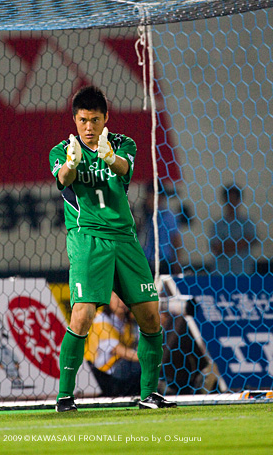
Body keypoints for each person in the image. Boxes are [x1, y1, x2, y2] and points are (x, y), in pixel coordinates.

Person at [49, 85, 176, 411]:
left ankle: (148, 395)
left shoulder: (123, 144)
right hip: (88, 238)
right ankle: (65, 396)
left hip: (125, 239)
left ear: (105, 118)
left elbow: (124, 169)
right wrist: (72, 164)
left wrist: (109, 157)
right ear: (74, 120)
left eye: (94, 120)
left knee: (151, 318)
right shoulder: (62, 150)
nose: (88, 127)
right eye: (82, 120)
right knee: (82, 316)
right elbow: (63, 178)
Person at [85, 292, 141, 397]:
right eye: (117, 297)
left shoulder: (128, 322)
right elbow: (118, 349)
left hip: (120, 370)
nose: (121, 302)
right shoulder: (101, 320)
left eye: (123, 298)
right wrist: (145, 358)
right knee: (137, 366)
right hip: (101, 375)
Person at [210, 184, 257, 275]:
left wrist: (226, 245)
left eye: (233, 200)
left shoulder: (247, 223)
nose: (231, 204)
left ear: (239, 201)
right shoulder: (217, 225)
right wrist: (239, 243)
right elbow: (216, 248)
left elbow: (249, 240)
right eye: (229, 200)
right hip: (221, 273)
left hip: (243, 272)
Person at [138, 181, 184, 276]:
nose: (147, 201)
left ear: (159, 198)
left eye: (150, 197)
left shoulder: (168, 216)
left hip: (163, 263)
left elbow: (176, 240)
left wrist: (177, 262)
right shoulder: (148, 217)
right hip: (147, 262)